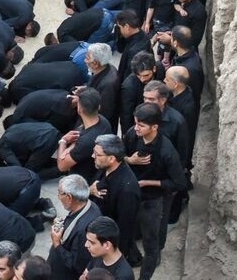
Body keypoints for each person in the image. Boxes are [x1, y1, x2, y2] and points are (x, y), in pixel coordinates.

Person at [122, 104, 187, 280]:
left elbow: (179, 183)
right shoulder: (132, 134)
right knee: (126, 230)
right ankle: (134, 258)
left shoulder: (167, 151)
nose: (136, 128)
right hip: (132, 193)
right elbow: (120, 155)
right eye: (136, 123)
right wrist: (130, 160)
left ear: (155, 127)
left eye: (141, 125)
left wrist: (148, 182)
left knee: (151, 241)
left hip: (154, 199)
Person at [89, 135, 140, 265]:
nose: (93, 156)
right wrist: (90, 190)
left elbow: (124, 229)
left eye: (97, 154)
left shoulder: (127, 190)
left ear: (111, 158)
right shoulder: (105, 168)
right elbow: (93, 186)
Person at [48, 174, 101, 280]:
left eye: (59, 193)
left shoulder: (84, 231)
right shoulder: (88, 205)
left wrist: (57, 244)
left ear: (69, 197)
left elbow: (77, 265)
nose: (58, 197)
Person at [56, 88, 113, 182]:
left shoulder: (86, 141)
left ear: (79, 109)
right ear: (98, 107)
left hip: (83, 180)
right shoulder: (103, 121)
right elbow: (80, 133)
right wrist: (72, 146)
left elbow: (62, 166)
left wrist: (63, 141)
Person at [84, 44, 121, 127]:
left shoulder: (107, 85)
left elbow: (105, 113)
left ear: (96, 63)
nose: (85, 61)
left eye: (87, 58)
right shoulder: (108, 67)